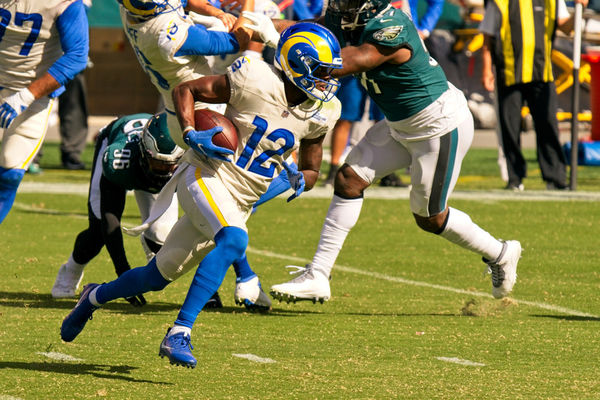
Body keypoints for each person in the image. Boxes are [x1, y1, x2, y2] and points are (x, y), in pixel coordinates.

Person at [60, 22, 343, 369]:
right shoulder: (255, 78)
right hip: (206, 176)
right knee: (235, 240)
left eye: (330, 73)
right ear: (295, 63)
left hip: (241, 200)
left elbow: (312, 168)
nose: (326, 80)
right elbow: (185, 90)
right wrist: (191, 132)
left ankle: (93, 296)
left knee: (156, 278)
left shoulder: (322, 113)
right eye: (321, 71)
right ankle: (180, 331)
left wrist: (303, 178)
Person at [263, 0, 521, 303]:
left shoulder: (391, 27)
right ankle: (318, 274)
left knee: (429, 218)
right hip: (401, 123)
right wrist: (258, 25)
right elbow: (309, 31)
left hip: (437, 125)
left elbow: (349, 60)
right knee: (349, 179)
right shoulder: (348, 17)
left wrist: (275, 40)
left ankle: (501, 252)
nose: (339, 3)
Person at [116, 0, 274, 309]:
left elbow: (185, 2)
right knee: (244, 193)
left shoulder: (132, 10)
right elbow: (236, 40)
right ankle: (244, 279)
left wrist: (216, 13)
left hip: (184, 107)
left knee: (230, 204)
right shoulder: (165, 32)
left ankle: (245, 277)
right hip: (202, 116)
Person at [51, 113, 190, 307]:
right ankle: (72, 269)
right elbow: (111, 218)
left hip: (154, 159)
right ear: (143, 152)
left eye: (168, 165)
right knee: (98, 231)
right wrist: (123, 276)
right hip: (117, 139)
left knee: (163, 235)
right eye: (157, 163)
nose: (163, 171)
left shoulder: (188, 155)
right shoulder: (119, 158)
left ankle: (149, 240)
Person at [479, 0, 588, 191]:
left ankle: (555, 177)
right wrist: (487, 69)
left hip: (541, 73)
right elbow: (487, 36)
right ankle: (515, 178)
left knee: (547, 125)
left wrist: (580, 8)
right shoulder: (501, 2)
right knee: (510, 127)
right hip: (509, 72)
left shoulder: (552, 1)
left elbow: (566, 27)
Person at [0, 0, 89, 224]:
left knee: (10, 171)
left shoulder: (66, 4)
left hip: (29, 95)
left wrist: (26, 96)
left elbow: (77, 56)